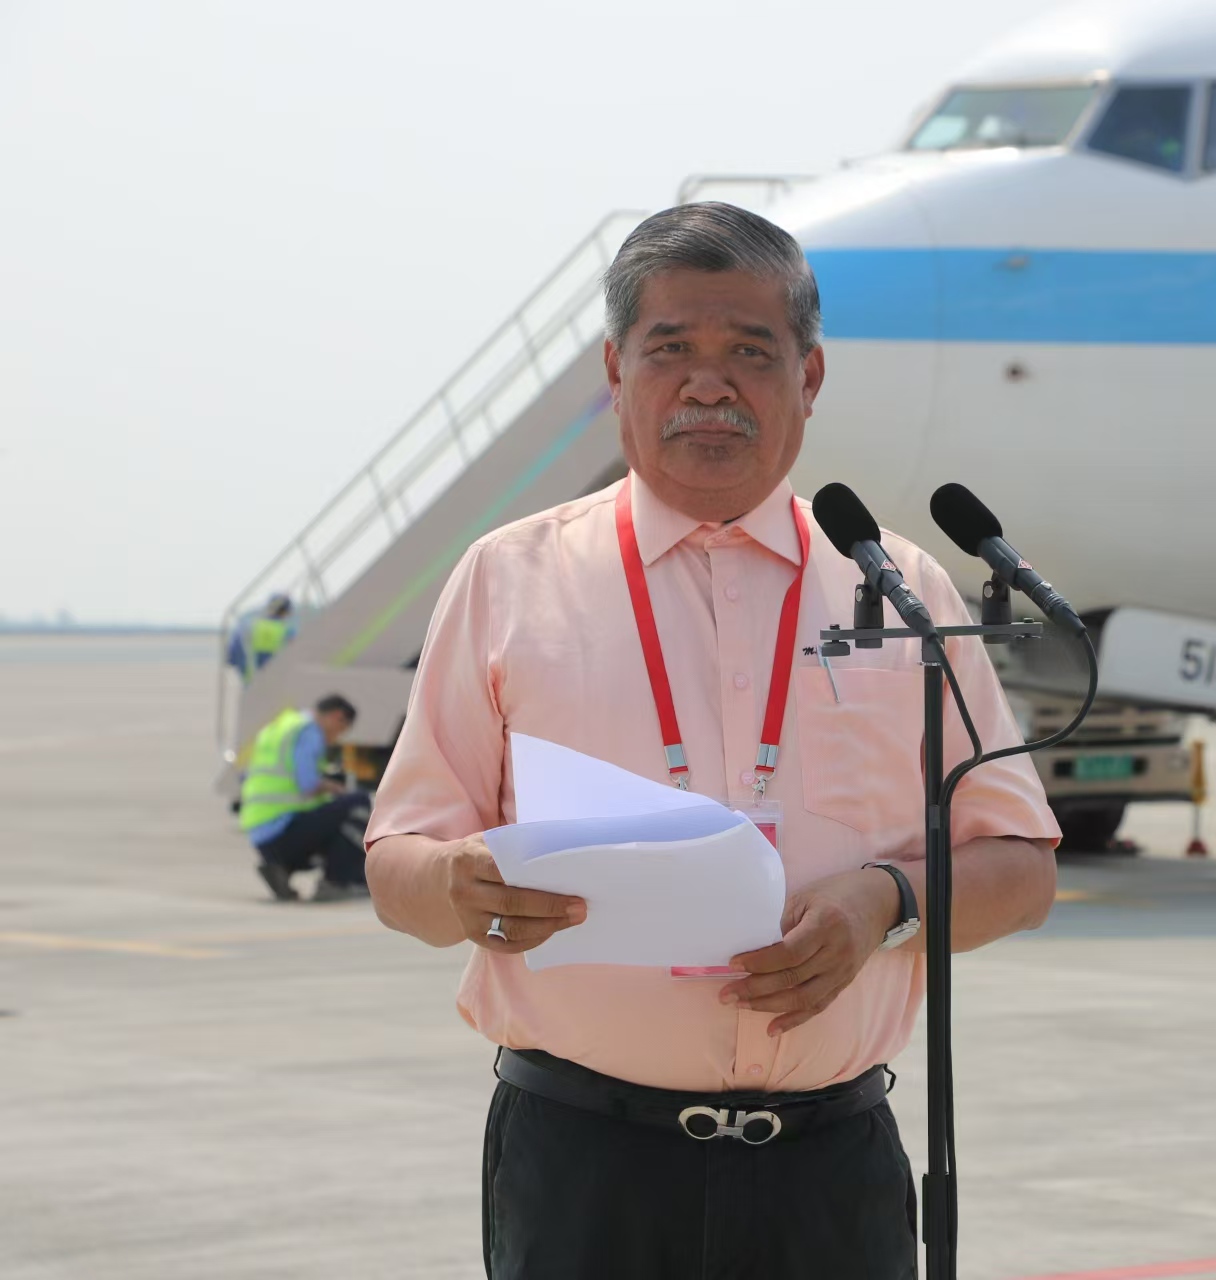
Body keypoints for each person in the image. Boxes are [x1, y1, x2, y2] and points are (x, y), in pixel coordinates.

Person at [365, 202, 1060, 1279]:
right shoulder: (508, 578)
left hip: (831, 1171)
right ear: (615, 369)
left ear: (809, 376)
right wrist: (453, 881)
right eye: (671, 350)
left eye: (749, 351)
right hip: (585, 1165)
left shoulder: (901, 590)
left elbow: (1019, 864)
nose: (708, 384)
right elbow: (396, 858)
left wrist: (891, 900)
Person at [239, 694, 371, 901]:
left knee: (334, 819)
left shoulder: (284, 726)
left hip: (262, 834)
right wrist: (336, 789)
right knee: (357, 803)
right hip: (282, 829)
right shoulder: (310, 732)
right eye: (341, 731)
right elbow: (308, 783)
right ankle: (338, 880)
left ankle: (283, 868)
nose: (335, 738)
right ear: (337, 717)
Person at [226, 592, 296, 681]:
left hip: (250, 680)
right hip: (276, 681)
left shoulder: (251, 626)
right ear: (287, 612)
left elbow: (233, 653)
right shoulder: (287, 631)